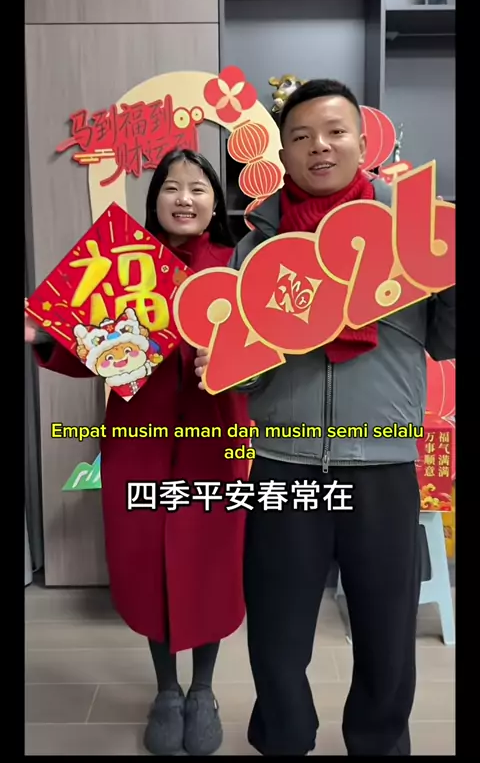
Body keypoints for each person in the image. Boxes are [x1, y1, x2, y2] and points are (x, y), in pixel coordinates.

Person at [195, 80, 455, 756]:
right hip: (284, 464)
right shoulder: (257, 244)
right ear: (282, 151)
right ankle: (284, 741)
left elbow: (447, 339)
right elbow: (248, 371)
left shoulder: (414, 230)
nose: (320, 147)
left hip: (383, 463)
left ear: (364, 144)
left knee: (387, 638)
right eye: (302, 136)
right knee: (276, 638)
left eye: (336, 132)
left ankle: (379, 745)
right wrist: (225, 362)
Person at [25, 149, 252, 757]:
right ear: (154, 200)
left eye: (198, 187)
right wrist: (45, 333)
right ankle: (167, 690)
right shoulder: (124, 264)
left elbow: (267, 351)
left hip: (217, 442)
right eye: (171, 187)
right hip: (139, 441)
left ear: (215, 200)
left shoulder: (237, 264)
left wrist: (233, 360)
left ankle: (203, 690)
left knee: (210, 565)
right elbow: (88, 346)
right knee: (149, 564)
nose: (184, 198)